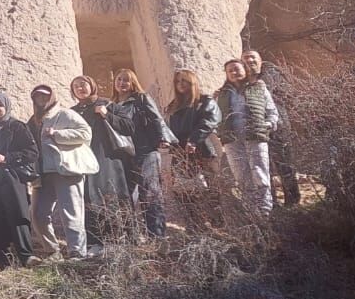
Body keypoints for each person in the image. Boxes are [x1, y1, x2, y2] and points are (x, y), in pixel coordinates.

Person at [28, 85, 96, 259]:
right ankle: (52, 251)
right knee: (37, 214)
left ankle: (77, 253)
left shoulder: (65, 114)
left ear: (52, 97)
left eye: (45, 97)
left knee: (71, 214)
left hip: (66, 170)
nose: (41, 100)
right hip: (42, 174)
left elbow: (86, 133)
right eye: (37, 97)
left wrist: (57, 134)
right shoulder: (34, 120)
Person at [105, 69, 171, 238]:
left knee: (150, 192)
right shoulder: (111, 104)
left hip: (144, 149)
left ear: (133, 82)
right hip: (124, 153)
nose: (122, 83)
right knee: (127, 195)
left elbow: (156, 118)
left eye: (126, 80)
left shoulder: (141, 99)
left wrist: (162, 138)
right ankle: (133, 235)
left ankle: (156, 235)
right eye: (119, 79)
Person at [70, 75, 131, 253]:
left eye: (83, 84)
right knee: (88, 198)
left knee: (111, 195)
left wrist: (106, 114)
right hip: (83, 160)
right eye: (76, 86)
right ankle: (95, 241)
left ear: (92, 85)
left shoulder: (108, 104)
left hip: (107, 158)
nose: (80, 88)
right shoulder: (72, 112)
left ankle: (118, 239)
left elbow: (129, 127)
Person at [0, 92, 38, 268]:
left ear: (6, 107)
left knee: (17, 215)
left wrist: (8, 157)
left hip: (12, 178)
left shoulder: (17, 127)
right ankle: (5, 262)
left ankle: (27, 256)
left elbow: (32, 153)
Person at [215, 58, 278, 215]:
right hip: (232, 140)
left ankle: (265, 212)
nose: (234, 73)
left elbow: (271, 111)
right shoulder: (221, 94)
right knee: (241, 175)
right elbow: (215, 116)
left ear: (245, 70)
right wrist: (218, 130)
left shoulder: (258, 88)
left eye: (237, 69)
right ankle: (251, 212)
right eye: (230, 71)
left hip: (255, 136)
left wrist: (268, 124)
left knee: (259, 172)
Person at [167, 70, 223, 230]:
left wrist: (194, 139)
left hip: (201, 149)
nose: (180, 84)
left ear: (192, 82)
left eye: (184, 81)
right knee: (182, 190)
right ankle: (194, 225)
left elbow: (210, 121)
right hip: (180, 151)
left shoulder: (204, 101)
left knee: (210, 187)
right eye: (177, 82)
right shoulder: (174, 105)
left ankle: (217, 224)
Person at [243, 49, 299, 206]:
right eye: (246, 59)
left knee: (285, 165)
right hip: (256, 131)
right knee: (263, 167)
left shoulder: (272, 74)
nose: (250, 61)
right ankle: (271, 203)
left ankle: (293, 201)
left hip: (278, 126)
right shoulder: (242, 82)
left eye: (252, 57)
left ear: (260, 60)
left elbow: (286, 95)